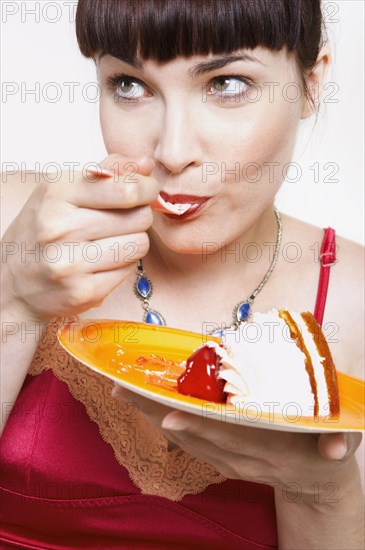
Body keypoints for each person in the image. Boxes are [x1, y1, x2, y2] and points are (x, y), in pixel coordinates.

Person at [1, 0, 364, 548]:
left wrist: (322, 492)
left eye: (227, 83)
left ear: (311, 84)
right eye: (129, 84)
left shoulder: (353, 299)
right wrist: (12, 302)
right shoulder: (17, 222)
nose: (173, 151)